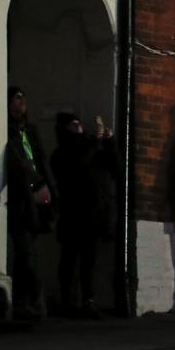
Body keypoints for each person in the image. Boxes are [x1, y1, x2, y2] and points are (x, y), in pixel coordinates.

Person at [50, 112, 117, 318]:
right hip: (74, 211)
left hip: (95, 212)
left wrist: (110, 142)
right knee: (70, 258)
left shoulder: (92, 147)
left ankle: (88, 301)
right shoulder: (62, 152)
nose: (78, 125)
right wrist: (96, 144)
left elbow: (116, 167)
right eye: (73, 123)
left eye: (79, 122)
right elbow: (78, 166)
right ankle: (67, 301)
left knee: (90, 260)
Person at [5, 87, 55, 320]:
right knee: (26, 250)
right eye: (17, 98)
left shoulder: (30, 130)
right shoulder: (8, 130)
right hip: (20, 196)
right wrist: (36, 184)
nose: (21, 102)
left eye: (23, 98)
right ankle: (36, 298)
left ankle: (21, 301)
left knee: (25, 252)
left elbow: (40, 159)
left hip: (36, 195)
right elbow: (18, 162)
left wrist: (49, 188)